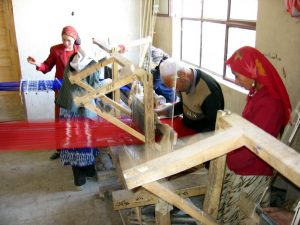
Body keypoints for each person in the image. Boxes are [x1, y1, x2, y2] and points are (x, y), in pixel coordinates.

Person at [217, 46, 292, 225]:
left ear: (252, 70)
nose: (236, 80)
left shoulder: (270, 104)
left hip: (252, 171)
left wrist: (229, 157)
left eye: (238, 75)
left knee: (246, 218)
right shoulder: (257, 93)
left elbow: (257, 145)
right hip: (242, 164)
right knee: (231, 215)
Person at [55, 47, 111, 191]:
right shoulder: (91, 65)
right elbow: (93, 87)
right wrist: (108, 82)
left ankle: (86, 172)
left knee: (75, 142)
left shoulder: (73, 59)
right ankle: (81, 177)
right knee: (83, 141)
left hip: (69, 107)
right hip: (79, 109)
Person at [27, 25, 81, 160]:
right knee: (60, 119)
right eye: (63, 40)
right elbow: (47, 67)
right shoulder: (56, 50)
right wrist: (37, 64)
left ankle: (77, 148)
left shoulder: (80, 51)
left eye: (69, 40)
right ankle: (60, 149)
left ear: (74, 39)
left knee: (76, 118)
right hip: (60, 89)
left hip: (76, 90)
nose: (66, 43)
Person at [157, 58, 224, 133]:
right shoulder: (184, 83)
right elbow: (184, 106)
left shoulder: (209, 91)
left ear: (183, 75)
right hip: (187, 127)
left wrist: (194, 141)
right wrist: (161, 112)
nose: (176, 90)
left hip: (200, 134)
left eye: (175, 86)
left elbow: (213, 126)